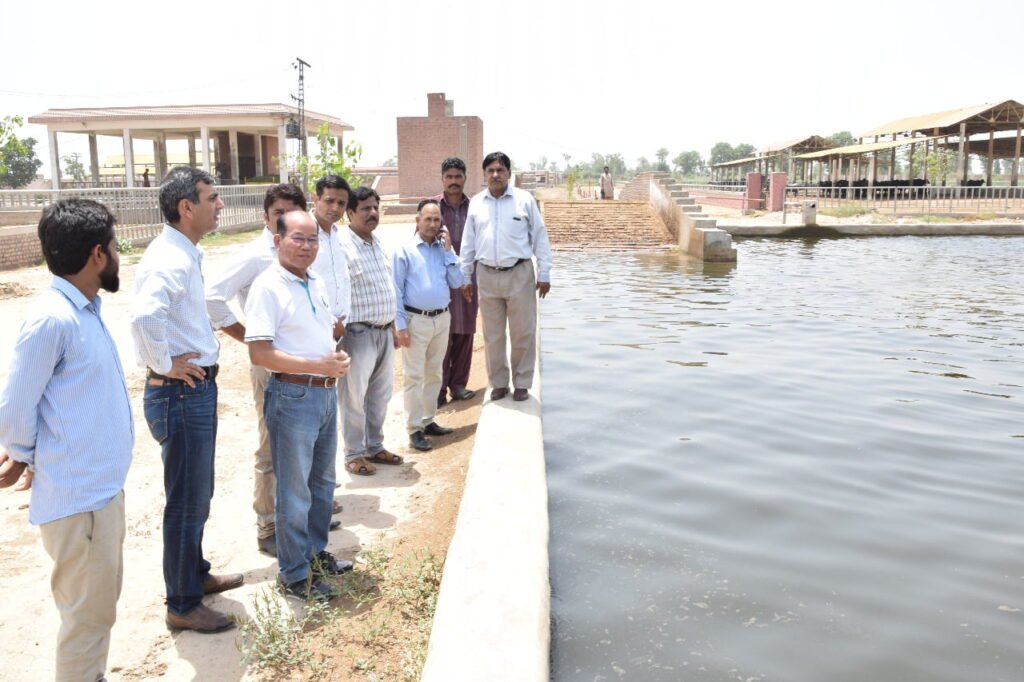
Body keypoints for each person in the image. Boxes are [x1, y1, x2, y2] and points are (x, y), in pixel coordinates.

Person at [0, 199, 133, 682]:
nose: (120, 254)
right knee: (86, 622)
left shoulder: (84, 310)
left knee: (96, 614)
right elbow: (14, 410)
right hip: (79, 502)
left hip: (97, 495)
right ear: (98, 254)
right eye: (115, 246)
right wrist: (25, 455)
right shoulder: (53, 319)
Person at [131, 166, 242, 633]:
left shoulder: (184, 252)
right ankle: (182, 602)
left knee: (198, 493)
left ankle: (194, 575)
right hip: (180, 393)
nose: (219, 205)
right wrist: (164, 364)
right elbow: (144, 317)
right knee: (187, 500)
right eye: (212, 198)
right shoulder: (169, 259)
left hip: (191, 392)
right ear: (186, 207)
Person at [205, 183, 343, 558]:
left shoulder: (308, 264)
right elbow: (212, 297)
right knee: (272, 450)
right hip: (276, 371)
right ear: (269, 220)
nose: (302, 241)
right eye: (279, 215)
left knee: (310, 457)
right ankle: (269, 525)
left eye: (295, 215)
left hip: (314, 374)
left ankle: (306, 534)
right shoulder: (258, 259)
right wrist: (247, 337)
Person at [245, 211, 354, 602]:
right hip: (292, 396)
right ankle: (293, 574)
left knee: (322, 484)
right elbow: (260, 352)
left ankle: (314, 554)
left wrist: (334, 360)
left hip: (324, 393)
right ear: (277, 240)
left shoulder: (316, 281)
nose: (306, 246)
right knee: (294, 491)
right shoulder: (267, 287)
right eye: (297, 238)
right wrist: (316, 366)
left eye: (312, 240)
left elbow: (318, 333)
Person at [460, 151, 552, 402]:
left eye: (500, 170)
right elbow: (468, 242)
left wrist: (544, 272)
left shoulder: (524, 200)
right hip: (487, 275)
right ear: (484, 174)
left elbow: (540, 236)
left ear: (509, 174)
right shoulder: (477, 203)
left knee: (523, 332)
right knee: (493, 334)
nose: (495, 174)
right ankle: (499, 383)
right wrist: (465, 276)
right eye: (490, 170)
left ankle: (522, 383)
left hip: (519, 273)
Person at [339, 187, 403, 476]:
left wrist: (392, 326)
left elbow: (385, 288)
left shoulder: (377, 243)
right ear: (349, 213)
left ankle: (374, 446)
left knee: (380, 394)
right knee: (354, 397)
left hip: (383, 333)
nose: (372, 213)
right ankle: (353, 453)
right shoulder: (342, 245)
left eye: (376, 207)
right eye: (365, 208)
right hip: (358, 334)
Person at [393, 199, 464, 451]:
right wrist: (400, 325)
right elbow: (396, 290)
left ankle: (428, 419)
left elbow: (457, 281)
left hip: (441, 318)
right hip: (416, 320)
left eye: (437, 220)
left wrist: (449, 251)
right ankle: (414, 429)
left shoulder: (443, 251)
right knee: (414, 376)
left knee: (435, 372)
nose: (433, 224)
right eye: (428, 219)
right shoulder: (404, 250)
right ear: (417, 221)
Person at [433, 157, 478, 408]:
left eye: (457, 177)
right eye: (449, 177)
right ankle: (438, 388)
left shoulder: (475, 206)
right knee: (442, 333)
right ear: (442, 179)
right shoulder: (432, 207)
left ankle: (458, 385)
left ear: (464, 178)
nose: (453, 181)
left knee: (465, 331)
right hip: (441, 278)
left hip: (470, 277)